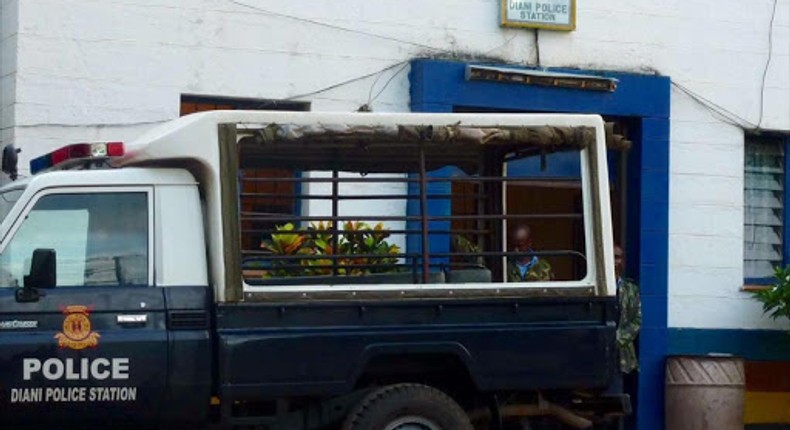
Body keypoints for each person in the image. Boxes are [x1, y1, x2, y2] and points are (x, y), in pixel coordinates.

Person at [614, 244, 641, 376]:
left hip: (623, 356)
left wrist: (617, 339)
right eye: (610, 257)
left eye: (617, 257)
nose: (614, 261)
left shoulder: (631, 289)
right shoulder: (593, 288)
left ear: (622, 261)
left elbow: (636, 320)